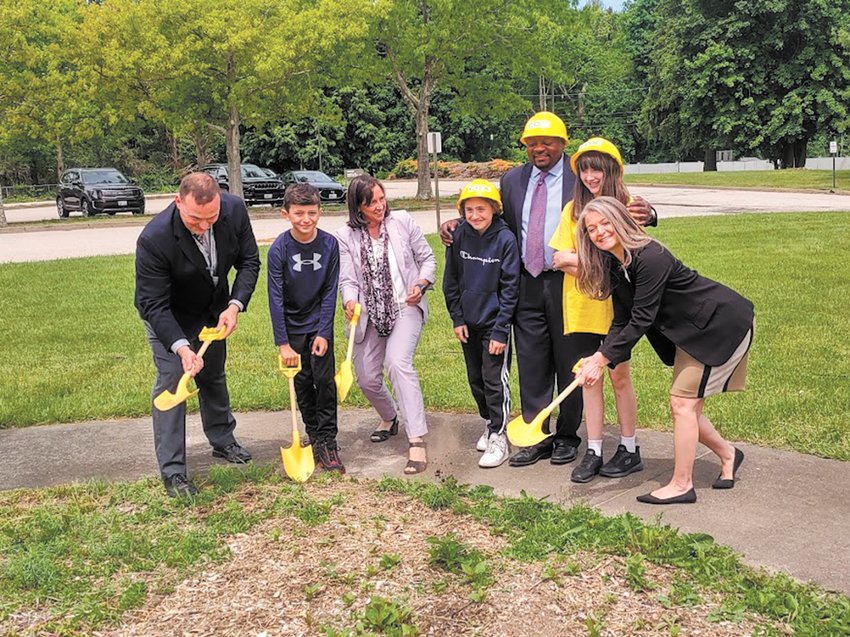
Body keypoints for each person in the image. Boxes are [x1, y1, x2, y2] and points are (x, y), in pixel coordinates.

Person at [439, 111, 656, 469]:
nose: (539, 148)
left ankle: (568, 437)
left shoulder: (580, 177)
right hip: (525, 282)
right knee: (532, 361)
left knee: (571, 359)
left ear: (562, 144)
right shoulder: (511, 181)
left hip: (572, 284)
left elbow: (621, 205)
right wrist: (458, 223)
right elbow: (496, 220)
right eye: (532, 143)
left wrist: (651, 212)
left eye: (547, 142)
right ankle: (536, 433)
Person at [574, 196, 753, 504]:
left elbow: (642, 318)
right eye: (592, 228)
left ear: (621, 220)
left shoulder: (650, 256)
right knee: (685, 406)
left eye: (606, 223)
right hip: (691, 332)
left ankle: (682, 484)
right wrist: (599, 356)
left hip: (719, 326)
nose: (600, 232)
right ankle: (728, 454)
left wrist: (602, 358)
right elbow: (622, 319)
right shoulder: (614, 262)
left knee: (682, 404)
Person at [135, 172, 261, 497]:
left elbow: (249, 261)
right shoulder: (155, 238)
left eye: (212, 218)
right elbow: (153, 304)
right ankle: (174, 472)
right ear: (178, 203)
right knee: (174, 382)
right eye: (196, 220)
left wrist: (234, 305)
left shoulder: (234, 211)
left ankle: (222, 440)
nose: (204, 226)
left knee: (214, 376)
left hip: (214, 311)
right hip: (170, 317)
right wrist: (181, 347)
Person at [549, 138, 642, 484]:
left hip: (618, 310)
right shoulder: (573, 210)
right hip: (581, 308)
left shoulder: (628, 206)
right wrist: (596, 263)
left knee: (619, 377)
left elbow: (629, 257)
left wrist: (583, 261)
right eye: (584, 169)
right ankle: (594, 450)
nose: (590, 176)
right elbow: (558, 258)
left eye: (597, 168)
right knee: (587, 377)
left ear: (612, 169)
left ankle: (630, 449)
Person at [335, 174, 436, 475]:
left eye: (382, 198)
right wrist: (349, 301)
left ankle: (416, 438)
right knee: (366, 377)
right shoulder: (345, 236)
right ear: (358, 207)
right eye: (371, 203)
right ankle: (390, 417)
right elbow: (347, 279)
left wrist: (422, 282)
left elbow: (428, 258)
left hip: (406, 306)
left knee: (397, 362)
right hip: (369, 314)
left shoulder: (403, 221)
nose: (380, 206)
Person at [443, 180, 520, 468]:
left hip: (494, 326)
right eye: (470, 209)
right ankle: (489, 422)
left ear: (494, 210)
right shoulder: (459, 236)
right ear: (462, 211)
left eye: (482, 209)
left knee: (493, 379)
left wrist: (501, 329)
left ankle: (501, 434)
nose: (476, 215)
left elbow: (511, 288)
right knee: (475, 379)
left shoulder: (505, 240)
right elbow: (450, 280)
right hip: (468, 323)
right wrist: (457, 318)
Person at [267, 183, 343, 473]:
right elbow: (275, 298)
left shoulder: (329, 244)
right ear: (285, 214)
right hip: (292, 329)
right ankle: (313, 434)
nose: (306, 219)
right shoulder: (279, 249)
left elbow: (330, 291)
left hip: (319, 325)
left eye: (312, 213)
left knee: (324, 382)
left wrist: (324, 332)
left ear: (320, 212)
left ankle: (329, 441)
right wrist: (283, 343)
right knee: (302, 383)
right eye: (299, 213)